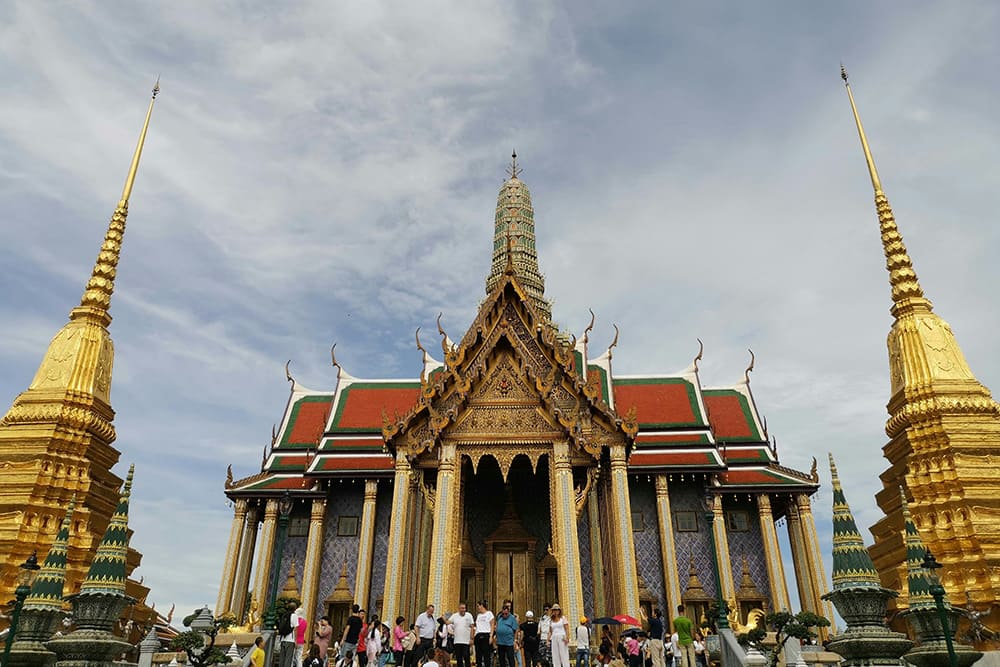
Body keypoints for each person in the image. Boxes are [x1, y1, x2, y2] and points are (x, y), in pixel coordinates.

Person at [474, 601, 494, 667]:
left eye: (478, 606)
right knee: (478, 655)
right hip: (478, 635)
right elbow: (477, 626)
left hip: (486, 635)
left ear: (482, 605)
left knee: (486, 656)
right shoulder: (478, 615)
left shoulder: (489, 613)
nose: (477, 608)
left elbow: (492, 625)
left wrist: (491, 636)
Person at [280, 602, 301, 667]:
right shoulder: (294, 616)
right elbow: (296, 629)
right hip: (290, 640)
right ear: (295, 608)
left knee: (282, 659)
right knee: (288, 660)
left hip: (283, 639)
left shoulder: (284, 615)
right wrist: (296, 641)